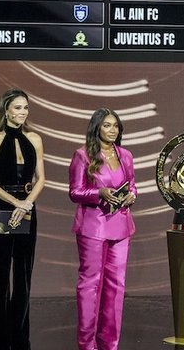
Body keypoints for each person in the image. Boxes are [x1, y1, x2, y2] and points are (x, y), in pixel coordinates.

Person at [0, 89, 45, 350]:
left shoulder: (35, 139)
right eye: (18, 108)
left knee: (23, 273)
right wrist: (15, 202)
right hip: (2, 208)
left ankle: (19, 334)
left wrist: (27, 203)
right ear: (6, 110)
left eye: (26, 108)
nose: (23, 112)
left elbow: (41, 178)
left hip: (27, 209)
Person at [68, 108, 137, 350]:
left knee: (116, 287)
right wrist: (99, 192)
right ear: (96, 127)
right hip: (93, 227)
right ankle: (87, 345)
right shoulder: (83, 155)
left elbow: (132, 186)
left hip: (121, 226)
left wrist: (131, 196)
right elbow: (75, 192)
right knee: (90, 286)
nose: (112, 130)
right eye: (107, 125)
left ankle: (109, 344)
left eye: (116, 126)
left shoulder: (125, 155)